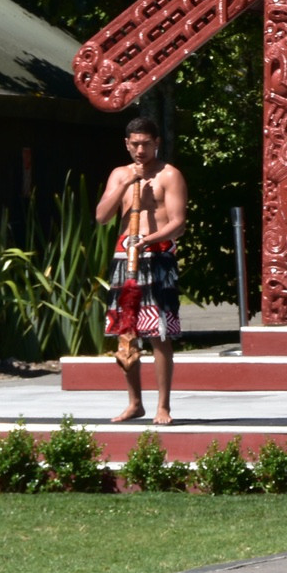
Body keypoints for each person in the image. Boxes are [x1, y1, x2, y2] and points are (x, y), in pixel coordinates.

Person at [95, 116, 188, 426]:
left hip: (157, 257)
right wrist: (124, 184)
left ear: (156, 143)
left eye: (146, 144)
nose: (140, 149)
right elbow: (102, 217)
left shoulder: (169, 175)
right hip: (125, 259)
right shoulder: (119, 175)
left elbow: (178, 223)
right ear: (126, 144)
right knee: (127, 332)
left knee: (159, 332)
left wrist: (148, 239)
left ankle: (164, 406)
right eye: (134, 144)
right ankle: (135, 402)